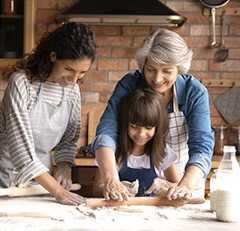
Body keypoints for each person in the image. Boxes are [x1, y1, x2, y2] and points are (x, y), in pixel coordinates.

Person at [92, 28, 214, 201]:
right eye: (150, 69)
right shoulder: (130, 85)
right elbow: (107, 131)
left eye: (166, 71)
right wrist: (112, 179)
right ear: (143, 65)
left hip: (182, 180)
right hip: (129, 194)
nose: (157, 79)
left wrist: (184, 185)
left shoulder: (194, 92)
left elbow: (202, 146)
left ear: (179, 69)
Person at [0, 22, 96, 205]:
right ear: (53, 56)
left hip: (40, 185)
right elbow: (22, 152)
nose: (74, 80)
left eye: (82, 73)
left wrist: (63, 166)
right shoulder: (21, 83)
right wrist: (57, 190)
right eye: (69, 69)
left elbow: (68, 141)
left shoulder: (72, 90)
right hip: (5, 182)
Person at [116, 88, 180, 197]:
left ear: (157, 127)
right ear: (125, 123)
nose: (141, 134)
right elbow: (97, 189)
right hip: (118, 210)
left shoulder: (162, 151)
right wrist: (117, 187)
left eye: (148, 127)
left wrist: (163, 186)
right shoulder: (114, 150)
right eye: (134, 126)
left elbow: (177, 186)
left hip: (151, 211)